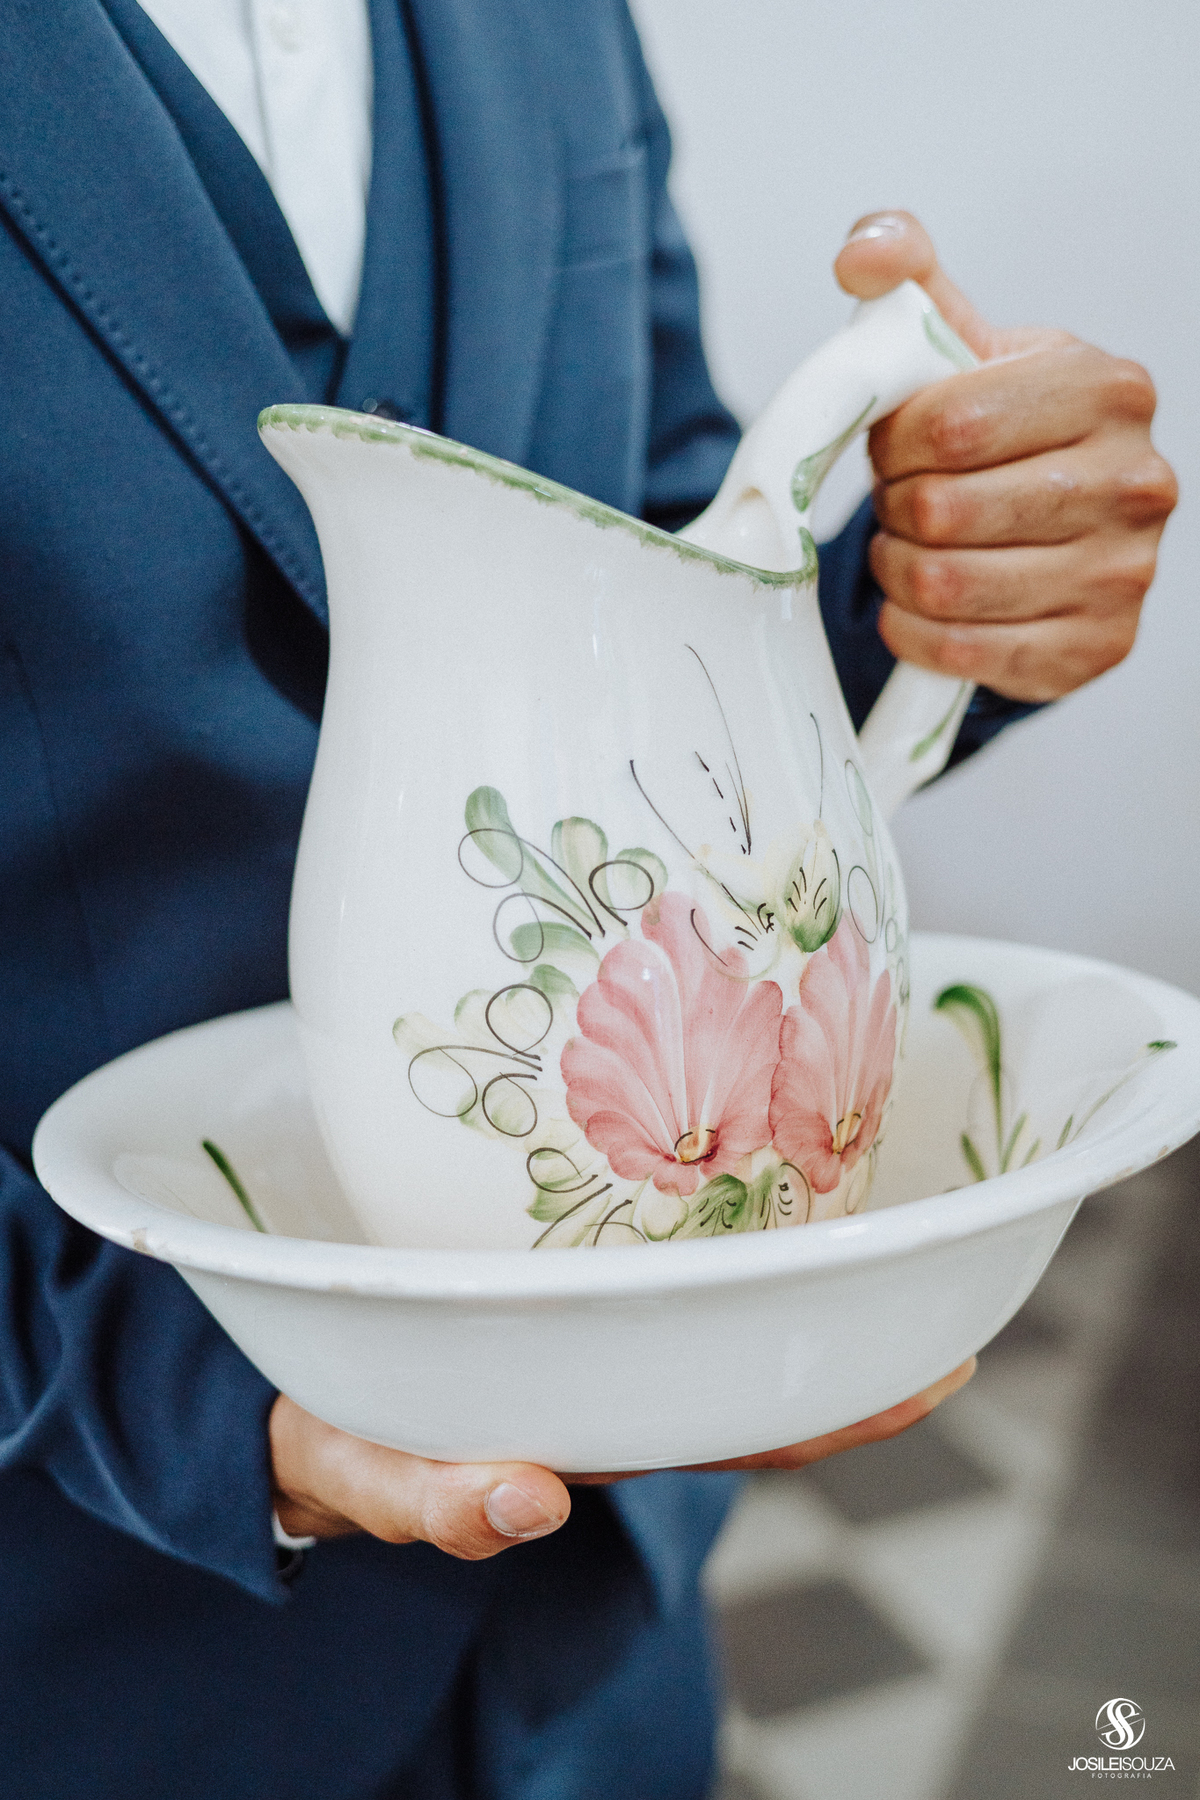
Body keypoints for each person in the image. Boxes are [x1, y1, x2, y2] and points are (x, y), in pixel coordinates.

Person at [0, 2, 1176, 1796]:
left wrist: (953, 593)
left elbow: (651, 576)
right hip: (97, 1666)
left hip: (607, 1655)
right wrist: (181, 1407)